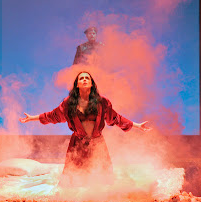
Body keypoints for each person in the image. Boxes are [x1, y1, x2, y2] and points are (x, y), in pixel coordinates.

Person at [19, 71, 151, 187]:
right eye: (81, 78)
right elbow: (52, 116)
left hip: (97, 144)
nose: (84, 80)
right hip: (77, 144)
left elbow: (116, 118)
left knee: (102, 182)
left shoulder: (102, 101)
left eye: (87, 78)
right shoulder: (68, 103)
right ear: (77, 84)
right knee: (74, 182)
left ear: (92, 84)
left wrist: (136, 125)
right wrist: (32, 118)